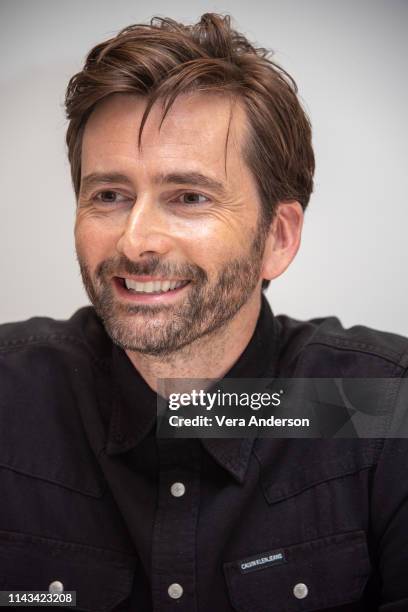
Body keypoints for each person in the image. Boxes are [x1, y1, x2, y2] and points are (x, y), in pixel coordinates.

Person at [0, 12, 407, 612]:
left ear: (278, 236)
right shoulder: (12, 398)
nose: (136, 241)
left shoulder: (375, 408)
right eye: (109, 195)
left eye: (189, 197)